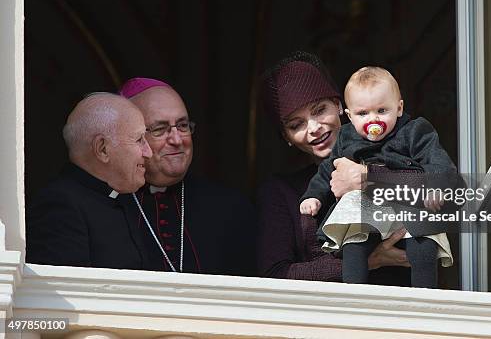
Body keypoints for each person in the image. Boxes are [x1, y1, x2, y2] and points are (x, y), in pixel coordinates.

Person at [257, 51, 411, 283]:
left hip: (402, 311)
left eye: (320, 110)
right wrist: (367, 261)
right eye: (296, 124)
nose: (314, 128)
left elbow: (452, 198)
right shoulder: (281, 192)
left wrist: (369, 179)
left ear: (339, 106)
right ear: (286, 137)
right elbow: (276, 274)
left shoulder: (397, 152)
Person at [300, 66, 455, 287]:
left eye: (382, 111)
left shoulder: (415, 131)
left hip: (407, 204)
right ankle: (355, 294)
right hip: (365, 205)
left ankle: (426, 297)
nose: (373, 119)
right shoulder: (346, 137)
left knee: (423, 245)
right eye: (363, 114)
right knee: (354, 243)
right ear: (350, 117)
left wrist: (435, 186)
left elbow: (437, 160)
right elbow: (327, 170)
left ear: (399, 108)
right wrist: (313, 196)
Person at [119, 78, 255, 275]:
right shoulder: (105, 206)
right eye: (159, 129)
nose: (177, 140)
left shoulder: (232, 208)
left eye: (182, 126)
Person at [26, 93, 153, 268]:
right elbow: (65, 289)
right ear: (103, 149)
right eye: (139, 140)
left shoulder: (121, 199)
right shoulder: (60, 205)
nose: (149, 152)